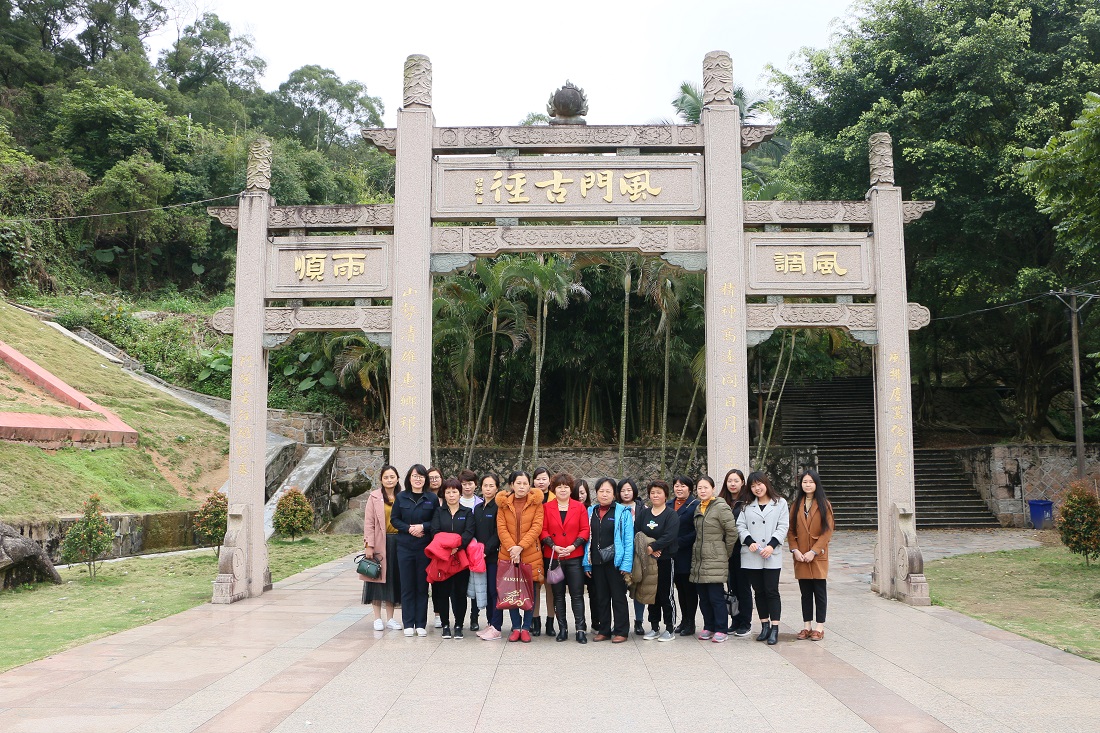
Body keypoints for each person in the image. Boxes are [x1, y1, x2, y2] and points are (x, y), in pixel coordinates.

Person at [736, 471, 790, 646]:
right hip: (752, 554)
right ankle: (764, 625)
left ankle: (775, 627)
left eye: (759, 484)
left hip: (771, 553)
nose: (757, 488)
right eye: (753, 485)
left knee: (771, 590)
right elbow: (740, 526)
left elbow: (783, 526)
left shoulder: (780, 503)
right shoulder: (746, 505)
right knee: (758, 591)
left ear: (766, 483)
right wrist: (750, 541)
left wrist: (771, 545)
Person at [495, 470, 545, 642]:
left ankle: (526, 628)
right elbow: (501, 528)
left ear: (529, 485)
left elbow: (537, 527)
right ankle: (516, 627)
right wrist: (512, 549)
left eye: (525, 483)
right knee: (511, 590)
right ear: (512, 485)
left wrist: (520, 547)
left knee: (530, 591)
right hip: (509, 554)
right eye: (518, 483)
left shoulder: (536, 503)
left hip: (530, 553)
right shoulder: (503, 504)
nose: (522, 486)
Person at [541, 472, 591, 643]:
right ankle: (562, 628)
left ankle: (580, 629)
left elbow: (585, 530)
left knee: (577, 594)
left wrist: (572, 546)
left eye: (566, 487)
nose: (563, 490)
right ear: (554, 489)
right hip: (554, 557)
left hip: (574, 556)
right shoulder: (547, 507)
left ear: (571, 489)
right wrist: (554, 546)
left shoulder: (579, 507)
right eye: (559, 487)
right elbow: (543, 530)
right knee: (558, 594)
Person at [583, 477, 634, 643]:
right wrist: (586, 563)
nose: (604, 494)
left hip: (615, 562)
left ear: (614, 494)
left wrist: (626, 564)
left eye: (608, 491)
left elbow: (628, 540)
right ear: (596, 493)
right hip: (596, 562)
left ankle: (621, 631)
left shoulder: (622, 512)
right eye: (601, 491)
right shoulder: (591, 511)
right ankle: (604, 629)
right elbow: (587, 539)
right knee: (601, 597)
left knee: (618, 597)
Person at [689, 475, 739, 643]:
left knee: (716, 596)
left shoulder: (720, 507)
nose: (702, 491)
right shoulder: (698, 508)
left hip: (715, 558)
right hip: (699, 558)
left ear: (713, 489)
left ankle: (721, 628)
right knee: (703, 596)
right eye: (699, 488)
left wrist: (725, 552)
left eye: (705, 488)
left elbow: (732, 532)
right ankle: (708, 626)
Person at [390, 464, 437, 637]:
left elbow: (436, 521)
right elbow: (395, 519)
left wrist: (423, 526)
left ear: (425, 479)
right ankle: (408, 623)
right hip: (404, 547)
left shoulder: (431, 498)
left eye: (421, 476)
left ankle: (421, 624)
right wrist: (409, 528)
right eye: (415, 476)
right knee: (407, 585)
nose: (418, 479)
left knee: (422, 586)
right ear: (409, 478)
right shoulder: (401, 497)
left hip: (424, 548)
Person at [788, 470, 834, 641]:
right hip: (800, 555)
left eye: (811, 482)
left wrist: (813, 551)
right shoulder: (796, 505)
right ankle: (806, 625)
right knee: (805, 593)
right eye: (805, 482)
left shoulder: (824, 505)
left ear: (816, 484)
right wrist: (795, 550)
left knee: (819, 592)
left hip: (817, 555)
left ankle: (819, 627)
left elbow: (827, 532)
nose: (807, 485)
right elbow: (791, 531)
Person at [428, 478, 475, 639]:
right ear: (444, 494)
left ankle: (459, 625)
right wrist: (448, 547)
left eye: (454, 491)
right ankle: (446, 624)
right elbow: (435, 532)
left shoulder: (467, 512)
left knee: (459, 593)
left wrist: (457, 546)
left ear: (460, 493)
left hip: (460, 559)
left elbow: (469, 533)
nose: (451, 495)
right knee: (442, 592)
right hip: (442, 559)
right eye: (448, 492)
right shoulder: (439, 512)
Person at [636, 480, 679, 641]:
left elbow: (670, 535)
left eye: (659, 492)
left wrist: (654, 546)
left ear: (665, 495)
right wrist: (648, 548)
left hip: (666, 559)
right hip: (649, 561)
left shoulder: (671, 514)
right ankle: (654, 626)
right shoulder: (644, 514)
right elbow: (638, 533)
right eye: (652, 492)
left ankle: (670, 627)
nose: (655, 495)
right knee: (651, 593)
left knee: (665, 593)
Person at [361, 464, 402, 631]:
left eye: (392, 477)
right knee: (376, 579)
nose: (389, 480)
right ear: (381, 480)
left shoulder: (403, 496)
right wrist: (368, 545)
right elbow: (369, 523)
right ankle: (377, 618)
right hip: (379, 542)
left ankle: (391, 618)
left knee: (393, 579)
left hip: (399, 542)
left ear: (397, 478)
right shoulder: (374, 497)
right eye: (386, 477)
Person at [720, 469, 754, 637]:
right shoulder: (721, 502)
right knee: (731, 587)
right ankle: (735, 619)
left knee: (743, 587)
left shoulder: (748, 502)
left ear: (742, 482)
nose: (732, 484)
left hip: (743, 550)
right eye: (729, 481)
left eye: (736, 480)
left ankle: (745, 622)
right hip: (727, 551)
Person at [616, 478, 647, 636]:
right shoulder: (615, 508)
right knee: (618, 590)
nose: (626, 493)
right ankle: (621, 622)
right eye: (623, 490)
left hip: (638, 555)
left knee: (638, 589)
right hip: (619, 554)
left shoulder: (643, 508)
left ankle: (639, 621)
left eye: (629, 490)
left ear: (634, 491)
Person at [475, 473, 503, 640]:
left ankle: (497, 626)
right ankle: (490, 623)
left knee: (495, 591)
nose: (488, 489)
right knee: (485, 591)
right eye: (485, 485)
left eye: (491, 486)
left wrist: (486, 549)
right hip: (479, 557)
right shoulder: (478, 508)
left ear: (497, 488)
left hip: (493, 556)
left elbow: (498, 533)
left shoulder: (499, 507)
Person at [669, 475, 699, 637]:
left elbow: (697, 530)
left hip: (687, 553)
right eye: (676, 486)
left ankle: (691, 621)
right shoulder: (668, 505)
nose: (679, 489)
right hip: (671, 555)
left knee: (689, 589)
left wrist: (678, 542)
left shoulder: (695, 505)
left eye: (683, 486)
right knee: (679, 588)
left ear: (690, 488)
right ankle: (684, 620)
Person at [458, 468, 482, 630]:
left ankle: (475, 618)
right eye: (464, 484)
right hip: (458, 550)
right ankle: (459, 618)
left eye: (470, 484)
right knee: (460, 585)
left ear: (476, 485)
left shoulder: (480, 503)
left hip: (475, 551)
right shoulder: (454, 501)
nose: (467, 487)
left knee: (475, 585)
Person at [530, 466, 553, 637]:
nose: (541, 482)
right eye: (538, 478)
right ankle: (535, 620)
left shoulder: (556, 498)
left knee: (551, 586)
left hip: (551, 548)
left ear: (549, 481)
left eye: (544, 478)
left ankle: (550, 621)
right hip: (532, 548)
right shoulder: (529, 498)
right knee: (535, 587)